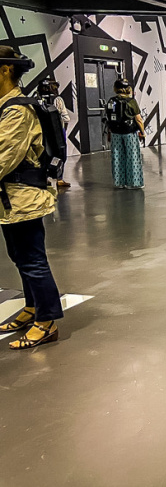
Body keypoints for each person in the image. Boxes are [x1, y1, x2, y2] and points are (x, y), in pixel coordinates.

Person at [0, 47, 63, 349]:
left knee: (32, 260)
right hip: (9, 200)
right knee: (20, 257)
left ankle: (47, 321)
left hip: (23, 199)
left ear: (5, 70)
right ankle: (31, 307)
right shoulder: (4, 106)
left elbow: (3, 158)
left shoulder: (16, 111)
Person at [105, 79, 145, 189]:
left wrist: (109, 132)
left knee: (117, 157)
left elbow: (108, 118)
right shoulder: (131, 101)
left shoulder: (111, 101)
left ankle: (119, 182)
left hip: (115, 133)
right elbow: (138, 119)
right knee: (132, 156)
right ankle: (134, 183)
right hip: (129, 133)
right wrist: (142, 132)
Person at [36, 76, 71, 187]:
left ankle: (44, 178)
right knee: (60, 154)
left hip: (40, 131)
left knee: (43, 154)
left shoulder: (35, 99)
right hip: (57, 131)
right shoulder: (58, 100)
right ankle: (59, 178)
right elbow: (66, 118)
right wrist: (63, 130)